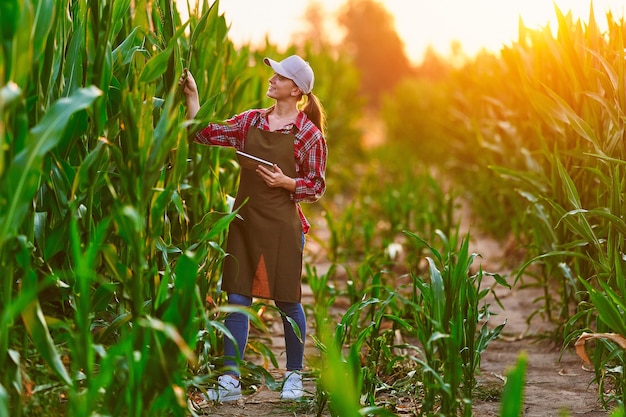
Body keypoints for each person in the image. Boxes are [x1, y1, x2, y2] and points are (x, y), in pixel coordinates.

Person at [179, 55, 327, 404]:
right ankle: (229, 380)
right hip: (244, 221)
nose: (272, 79)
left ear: (296, 89)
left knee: (288, 300)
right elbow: (204, 132)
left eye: (280, 76)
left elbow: (316, 186)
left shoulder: (308, 135)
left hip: (282, 227)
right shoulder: (250, 122)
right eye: (273, 74)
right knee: (237, 297)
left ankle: (293, 375)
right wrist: (193, 98)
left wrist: (287, 182)